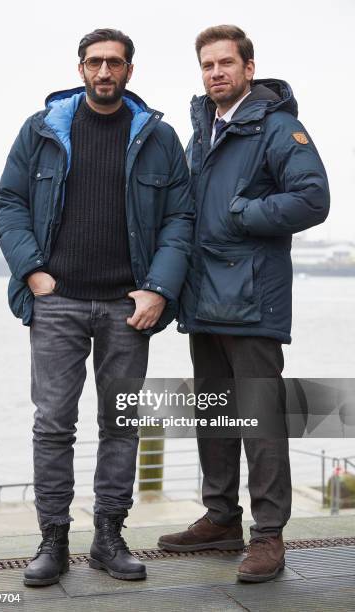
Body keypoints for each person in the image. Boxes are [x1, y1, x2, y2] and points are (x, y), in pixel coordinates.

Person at [0, 28, 193, 586]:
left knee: (121, 425)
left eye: (115, 63)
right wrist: (32, 271)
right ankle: (52, 539)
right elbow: (10, 200)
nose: (104, 72)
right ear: (80, 68)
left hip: (128, 307)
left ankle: (109, 537)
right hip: (56, 301)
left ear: (131, 71)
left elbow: (181, 219)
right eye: (95, 62)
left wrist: (158, 288)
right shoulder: (40, 131)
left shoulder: (159, 137)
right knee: (53, 424)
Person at [158, 25, 329, 583]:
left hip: (252, 300)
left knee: (260, 420)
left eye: (226, 63)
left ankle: (269, 535)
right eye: (207, 65)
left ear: (249, 68)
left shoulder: (278, 127)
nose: (215, 74)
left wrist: (242, 215)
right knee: (214, 414)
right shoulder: (202, 130)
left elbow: (312, 198)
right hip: (203, 299)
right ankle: (221, 516)